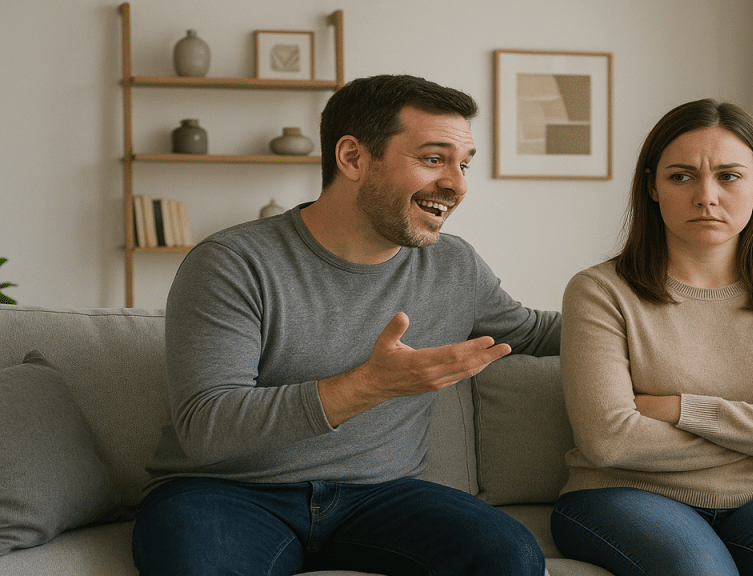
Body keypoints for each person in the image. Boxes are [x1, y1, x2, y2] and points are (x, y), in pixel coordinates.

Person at [131, 74, 560, 576]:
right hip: (227, 493)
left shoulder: (455, 266)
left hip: (380, 495)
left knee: (511, 557)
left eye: (463, 165)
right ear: (353, 157)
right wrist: (368, 386)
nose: (458, 185)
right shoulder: (233, 261)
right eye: (433, 159)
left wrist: (634, 307)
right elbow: (206, 427)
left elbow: (535, 333)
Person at [550, 99, 753, 575]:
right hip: (622, 493)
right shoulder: (599, 290)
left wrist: (683, 409)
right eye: (681, 176)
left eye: (729, 176)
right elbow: (609, 442)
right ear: (652, 187)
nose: (706, 196)